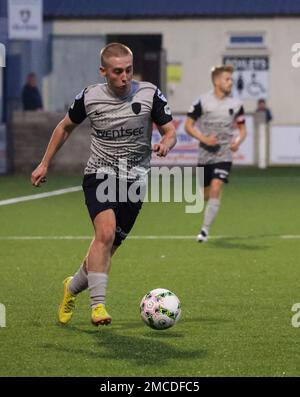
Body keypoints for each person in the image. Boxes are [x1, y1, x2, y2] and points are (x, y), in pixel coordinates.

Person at [31, 43, 176, 326]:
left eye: (129, 70)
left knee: (105, 249)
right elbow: (64, 127)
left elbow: (170, 131)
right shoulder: (89, 97)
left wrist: (166, 144)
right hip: (100, 174)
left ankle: (70, 288)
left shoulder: (149, 93)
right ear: (103, 72)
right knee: (105, 233)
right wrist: (44, 162)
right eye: (118, 71)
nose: (125, 77)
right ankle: (98, 307)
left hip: (135, 182)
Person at [184, 65, 247, 243]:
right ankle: (210, 198)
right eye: (227, 79)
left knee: (216, 188)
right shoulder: (201, 102)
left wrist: (238, 141)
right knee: (205, 195)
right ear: (217, 81)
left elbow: (243, 130)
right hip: (205, 155)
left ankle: (204, 230)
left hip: (224, 154)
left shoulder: (236, 105)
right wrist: (203, 138)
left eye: (232, 79)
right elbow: (188, 126)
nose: (231, 82)